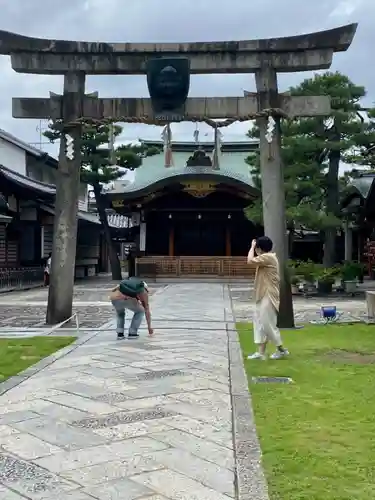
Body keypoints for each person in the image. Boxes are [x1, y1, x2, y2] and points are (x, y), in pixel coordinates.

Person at [246, 236, 289, 360]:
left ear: (259, 248)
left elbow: (250, 261)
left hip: (269, 294)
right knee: (259, 323)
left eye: (257, 248)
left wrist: (252, 247)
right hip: (262, 294)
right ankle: (260, 353)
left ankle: (281, 349)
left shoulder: (269, 257)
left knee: (267, 323)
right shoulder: (266, 258)